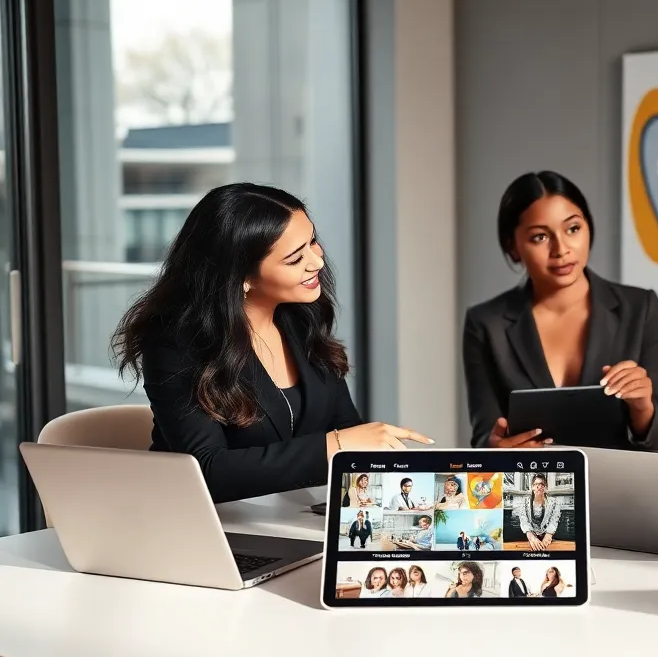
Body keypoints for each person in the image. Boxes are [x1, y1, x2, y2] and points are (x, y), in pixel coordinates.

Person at [113, 183, 432, 503]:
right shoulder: (176, 344)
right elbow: (207, 470)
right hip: (203, 527)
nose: (317, 262)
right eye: (295, 258)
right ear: (242, 277)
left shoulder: (302, 317)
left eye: (313, 242)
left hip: (285, 521)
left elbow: (347, 430)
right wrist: (335, 445)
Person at [462, 171, 658, 451]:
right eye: (539, 237)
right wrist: (499, 450)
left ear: (588, 227)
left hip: (616, 488)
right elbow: (483, 437)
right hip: (531, 484)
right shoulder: (486, 324)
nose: (561, 249)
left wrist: (642, 406)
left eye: (573, 229)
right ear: (513, 247)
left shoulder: (640, 309)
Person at [516, 473, 562, 551]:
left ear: (545, 487)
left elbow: (554, 520)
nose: (538, 486)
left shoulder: (554, 502)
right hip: (529, 538)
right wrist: (531, 537)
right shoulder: (524, 502)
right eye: (535, 484)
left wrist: (548, 536)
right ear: (532, 487)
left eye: (541, 484)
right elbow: (524, 520)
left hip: (549, 538)